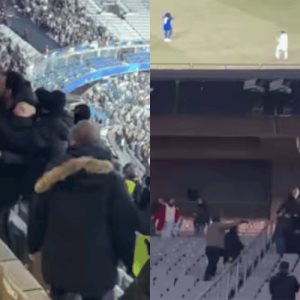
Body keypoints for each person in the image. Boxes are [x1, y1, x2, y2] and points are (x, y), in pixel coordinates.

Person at [28, 121, 139, 300]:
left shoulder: (52, 174)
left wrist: (33, 246)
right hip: (98, 272)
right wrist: (129, 261)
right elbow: (124, 225)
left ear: (71, 143)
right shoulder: (112, 180)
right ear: (98, 143)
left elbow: (37, 214)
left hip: (58, 269)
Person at [204, 217, 243, 281]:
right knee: (214, 262)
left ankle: (211, 275)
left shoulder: (209, 227)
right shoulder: (218, 225)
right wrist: (239, 221)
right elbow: (230, 225)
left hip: (208, 248)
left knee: (212, 261)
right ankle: (208, 275)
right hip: (215, 248)